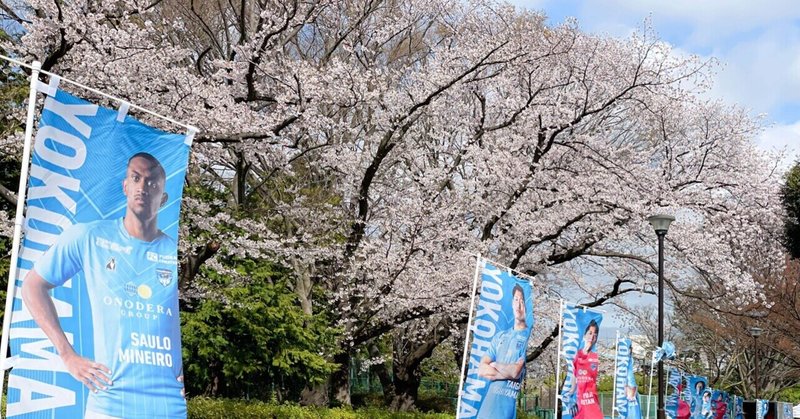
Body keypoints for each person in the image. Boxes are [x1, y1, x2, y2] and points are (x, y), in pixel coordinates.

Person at [22, 152, 186, 419]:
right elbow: (32, 287)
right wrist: (67, 355)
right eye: (136, 178)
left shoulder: (174, 251)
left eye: (153, 182)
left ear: (164, 197)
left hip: (169, 407)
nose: (143, 187)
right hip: (111, 405)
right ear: (125, 186)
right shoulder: (88, 236)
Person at [476, 284, 530, 419]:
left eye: (522, 301)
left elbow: (515, 372)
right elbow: (482, 369)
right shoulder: (500, 336)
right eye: (516, 300)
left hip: (505, 410)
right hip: (486, 409)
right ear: (512, 303)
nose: (519, 305)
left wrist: (494, 366)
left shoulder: (526, 337)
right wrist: (506, 371)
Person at [568, 320, 604, 419]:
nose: (592, 337)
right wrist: (571, 395)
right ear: (584, 335)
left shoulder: (594, 356)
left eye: (595, 334)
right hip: (579, 401)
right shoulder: (578, 354)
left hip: (591, 399)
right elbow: (574, 375)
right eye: (590, 333)